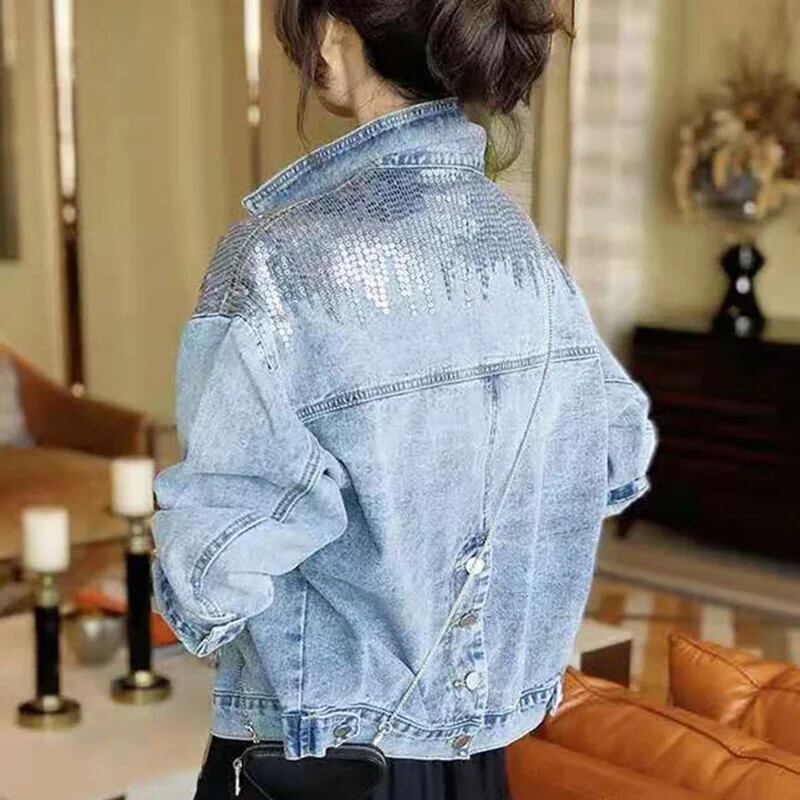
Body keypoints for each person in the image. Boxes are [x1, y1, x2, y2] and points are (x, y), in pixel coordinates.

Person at [151, 1, 657, 798]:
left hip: (322, 757)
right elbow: (618, 454)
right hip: (476, 762)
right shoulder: (525, 251)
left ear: (331, 32)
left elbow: (214, 572)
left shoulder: (278, 259)